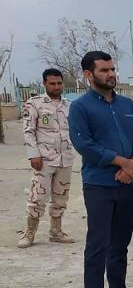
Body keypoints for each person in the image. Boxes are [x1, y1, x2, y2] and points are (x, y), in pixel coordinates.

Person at [68, 51, 133, 288]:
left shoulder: (127, 104)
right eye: (104, 70)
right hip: (99, 185)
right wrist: (121, 162)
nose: (111, 74)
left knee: (120, 243)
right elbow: (84, 145)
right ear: (89, 75)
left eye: (113, 69)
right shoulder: (80, 108)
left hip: (128, 184)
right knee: (97, 245)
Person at [18, 68, 75, 248]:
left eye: (59, 83)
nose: (56, 86)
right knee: (38, 197)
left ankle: (56, 232)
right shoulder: (34, 104)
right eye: (52, 83)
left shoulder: (69, 105)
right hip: (44, 159)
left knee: (61, 196)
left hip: (65, 158)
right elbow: (29, 131)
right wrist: (33, 154)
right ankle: (29, 233)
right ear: (44, 84)